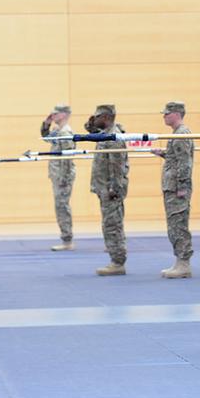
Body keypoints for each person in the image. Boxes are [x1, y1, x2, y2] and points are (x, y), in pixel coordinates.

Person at [151, 101, 194, 279]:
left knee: (179, 225)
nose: (164, 117)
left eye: (167, 114)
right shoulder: (176, 134)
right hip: (172, 186)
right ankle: (179, 261)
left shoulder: (182, 133)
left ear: (176, 114)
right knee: (174, 225)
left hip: (177, 188)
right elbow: (177, 159)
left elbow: (185, 163)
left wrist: (182, 187)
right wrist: (163, 153)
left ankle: (183, 263)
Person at [89, 104, 130, 276]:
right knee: (109, 224)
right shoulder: (105, 134)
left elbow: (117, 166)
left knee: (113, 225)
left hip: (111, 190)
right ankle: (115, 259)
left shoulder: (114, 137)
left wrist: (114, 188)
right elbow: (90, 131)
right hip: (105, 188)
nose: (94, 119)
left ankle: (117, 262)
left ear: (105, 117)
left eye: (97, 116)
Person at [41, 104, 77, 251]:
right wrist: (46, 124)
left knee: (62, 207)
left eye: (54, 114)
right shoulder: (58, 131)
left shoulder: (66, 132)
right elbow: (46, 138)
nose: (52, 115)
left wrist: (63, 177)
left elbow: (68, 158)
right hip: (58, 174)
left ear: (63, 115)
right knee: (60, 206)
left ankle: (67, 241)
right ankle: (66, 238)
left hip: (63, 175)